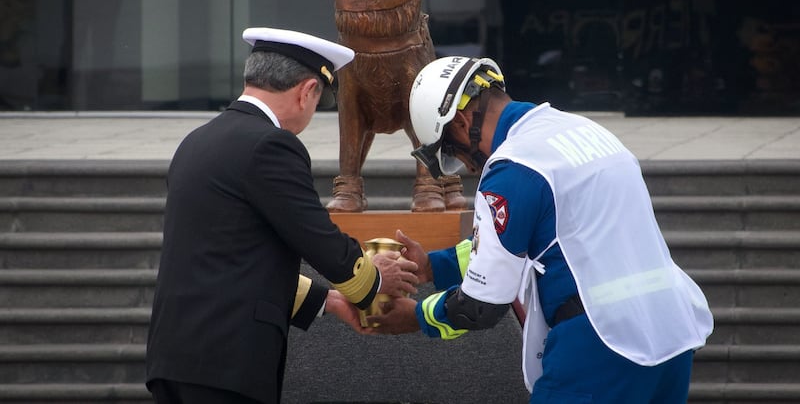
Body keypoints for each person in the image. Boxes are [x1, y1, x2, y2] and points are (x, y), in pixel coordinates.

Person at [367, 55, 714, 403]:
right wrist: (431, 266)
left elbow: (481, 305)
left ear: (460, 122)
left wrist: (416, 316)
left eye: (454, 152)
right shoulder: (583, 131)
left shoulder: (513, 167)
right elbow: (529, 238)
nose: (469, 167)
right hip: (673, 333)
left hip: (600, 344)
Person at [146, 27, 419, 404]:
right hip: (227, 363)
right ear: (307, 91)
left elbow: (233, 259)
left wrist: (332, 301)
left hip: (177, 358)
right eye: (319, 100)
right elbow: (317, 237)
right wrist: (373, 280)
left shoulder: (198, 141)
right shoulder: (270, 145)